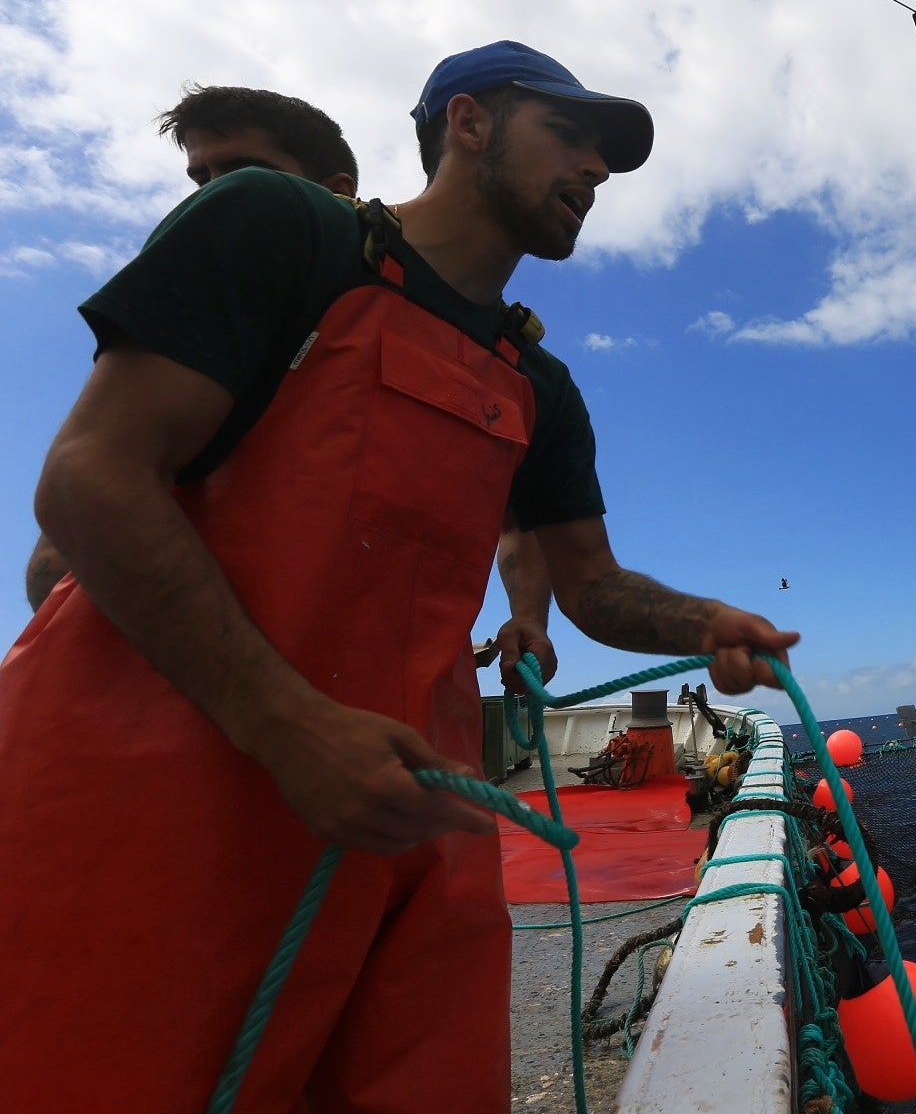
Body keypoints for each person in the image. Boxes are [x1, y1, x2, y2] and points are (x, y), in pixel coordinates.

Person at [0, 41, 798, 1114]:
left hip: (404, 819)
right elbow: (89, 479)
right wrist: (288, 725)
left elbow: (593, 585)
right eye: (571, 134)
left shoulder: (538, 383)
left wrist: (709, 620)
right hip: (161, 794)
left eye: (608, 155)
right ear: (466, 122)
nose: (597, 168)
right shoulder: (279, 228)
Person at [21, 83, 559, 693]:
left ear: (337, 192)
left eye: (242, 171)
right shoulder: (192, 331)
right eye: (201, 176)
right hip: (157, 709)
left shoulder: (496, 364)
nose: (215, 192)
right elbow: (65, 534)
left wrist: (527, 617)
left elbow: (515, 517)